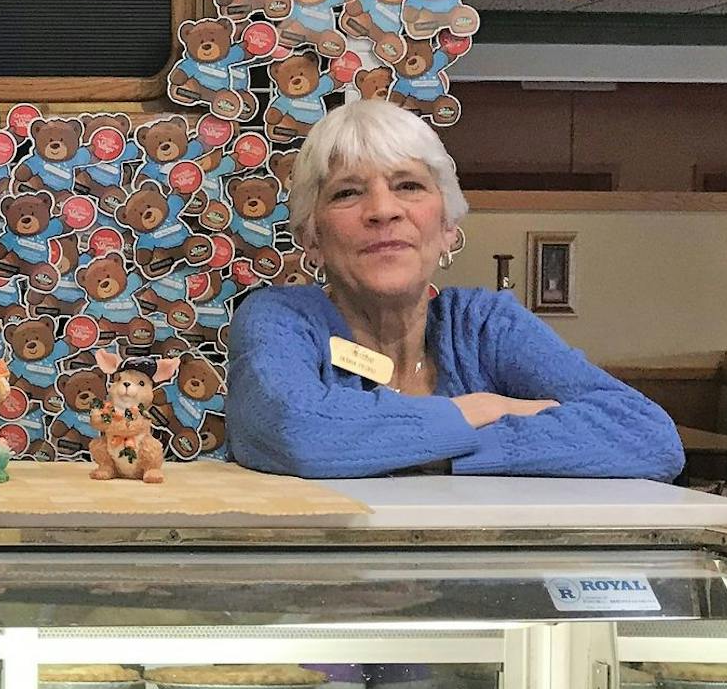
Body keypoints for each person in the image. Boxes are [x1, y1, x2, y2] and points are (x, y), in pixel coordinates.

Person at [226, 100, 682, 480]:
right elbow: (295, 431)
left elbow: (648, 437)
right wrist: (479, 409)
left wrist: (427, 452)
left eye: (408, 186)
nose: (383, 210)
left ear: (447, 227)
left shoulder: (485, 324)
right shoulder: (280, 319)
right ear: (311, 237)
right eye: (347, 193)